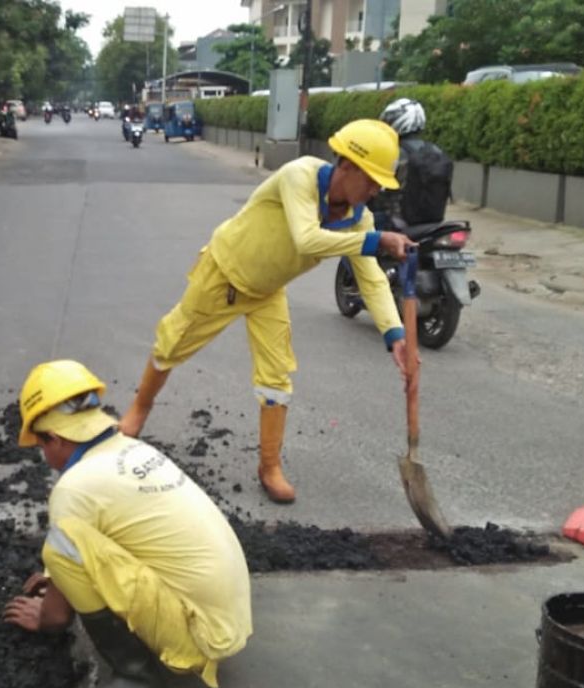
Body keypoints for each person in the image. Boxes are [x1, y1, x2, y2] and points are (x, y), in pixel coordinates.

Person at [118, 119, 416, 504]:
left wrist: (395, 336)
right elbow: (306, 238)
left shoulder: (359, 218)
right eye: (372, 180)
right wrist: (377, 241)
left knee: (277, 375)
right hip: (224, 273)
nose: (376, 190)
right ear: (346, 166)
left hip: (267, 291)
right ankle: (139, 409)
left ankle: (269, 465)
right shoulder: (300, 176)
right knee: (171, 342)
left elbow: (371, 279)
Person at [3, 360, 252, 688]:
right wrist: (59, 583)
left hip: (200, 635)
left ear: (54, 438)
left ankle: (138, 676)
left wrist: (49, 613)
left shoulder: (73, 488)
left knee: (60, 547)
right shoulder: (133, 451)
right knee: (73, 543)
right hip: (229, 616)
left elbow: (60, 603)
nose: (44, 456)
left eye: (41, 445)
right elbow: (114, 536)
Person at [369, 98, 454, 231]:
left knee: (359, 235)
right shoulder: (435, 150)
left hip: (395, 221)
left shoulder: (395, 152)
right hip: (434, 221)